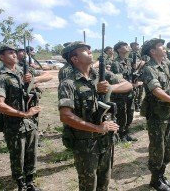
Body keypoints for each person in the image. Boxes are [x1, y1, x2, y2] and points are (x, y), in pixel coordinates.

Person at [58, 41, 133, 191]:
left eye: (89, 48)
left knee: (104, 181)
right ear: (74, 59)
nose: (89, 51)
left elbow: (128, 85)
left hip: (106, 138)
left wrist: (110, 88)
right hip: (85, 142)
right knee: (88, 184)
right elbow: (65, 116)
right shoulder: (69, 83)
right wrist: (97, 128)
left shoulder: (101, 75)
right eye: (84, 50)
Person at [0, 44, 52, 191]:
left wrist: (33, 80)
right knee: (17, 157)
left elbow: (48, 75)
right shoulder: (1, 76)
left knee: (31, 154)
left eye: (15, 52)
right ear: (2, 57)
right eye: (10, 53)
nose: (14, 55)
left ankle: (30, 182)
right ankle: (21, 184)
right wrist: (23, 114)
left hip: (30, 122)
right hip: (14, 124)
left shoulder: (23, 70)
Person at [140, 38, 170, 191]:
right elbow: (156, 91)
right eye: (161, 46)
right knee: (157, 147)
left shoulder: (165, 64)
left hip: (167, 113)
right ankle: (155, 180)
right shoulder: (149, 68)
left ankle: (161, 175)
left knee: (168, 146)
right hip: (156, 113)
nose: (164, 48)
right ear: (153, 51)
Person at [111, 41, 141, 142]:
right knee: (121, 115)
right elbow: (118, 79)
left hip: (130, 93)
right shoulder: (115, 63)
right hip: (120, 94)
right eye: (124, 45)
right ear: (119, 49)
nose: (127, 46)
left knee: (130, 113)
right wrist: (131, 85)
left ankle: (126, 132)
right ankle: (121, 134)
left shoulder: (129, 61)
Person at [129, 42, 144, 112]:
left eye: (138, 44)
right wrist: (142, 62)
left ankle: (139, 103)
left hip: (140, 73)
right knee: (136, 90)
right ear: (132, 46)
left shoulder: (139, 53)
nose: (138, 46)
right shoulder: (132, 54)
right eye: (136, 45)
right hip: (135, 73)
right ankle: (136, 104)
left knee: (141, 90)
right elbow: (135, 64)